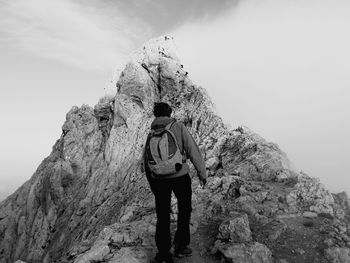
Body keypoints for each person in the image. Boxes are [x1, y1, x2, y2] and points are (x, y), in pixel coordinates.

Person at [143, 102, 207, 263]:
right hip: (180, 175)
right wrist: (202, 173)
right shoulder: (178, 127)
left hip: (159, 179)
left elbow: (146, 161)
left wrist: (152, 182)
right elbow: (192, 149)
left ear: (156, 115)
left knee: (162, 214)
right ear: (169, 113)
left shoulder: (152, 133)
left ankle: (163, 254)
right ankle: (181, 245)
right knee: (185, 209)